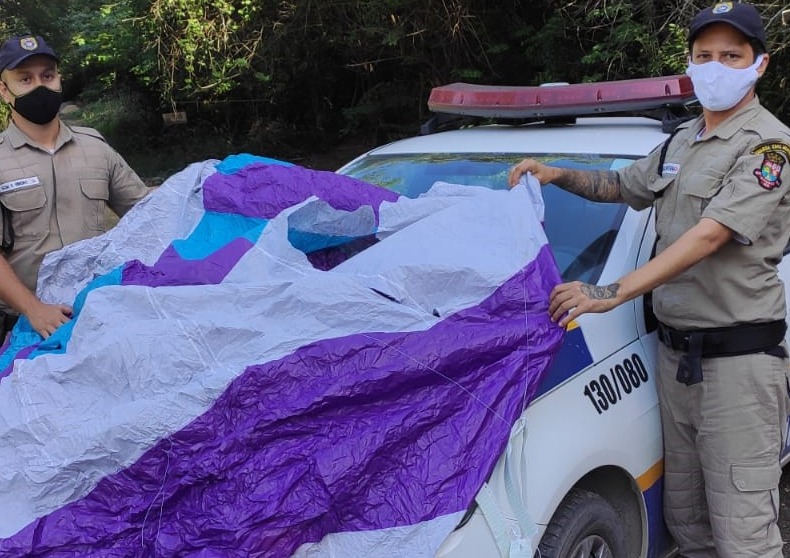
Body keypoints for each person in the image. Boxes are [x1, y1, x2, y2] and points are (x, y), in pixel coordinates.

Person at [508, 3, 790, 557]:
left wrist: (609, 291)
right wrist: (555, 173)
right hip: (674, 360)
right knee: (688, 522)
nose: (715, 66)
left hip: (737, 364)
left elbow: (710, 236)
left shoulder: (769, 147)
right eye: (704, 55)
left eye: (730, 56)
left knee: (743, 531)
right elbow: (623, 186)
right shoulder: (682, 141)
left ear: (760, 65)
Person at [0, 34, 150, 342]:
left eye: (48, 76)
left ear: (59, 80)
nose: (40, 86)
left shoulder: (96, 148)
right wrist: (34, 309)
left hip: (98, 316)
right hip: (20, 326)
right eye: (25, 79)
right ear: (4, 90)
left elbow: (148, 212)